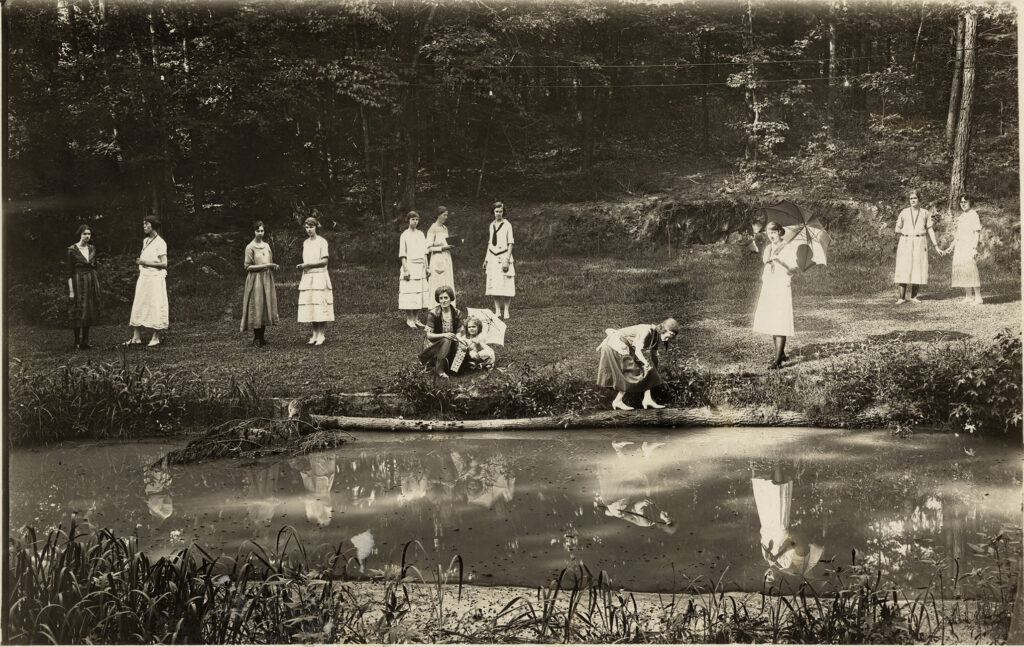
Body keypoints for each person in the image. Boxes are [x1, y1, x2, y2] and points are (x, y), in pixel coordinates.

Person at [596, 318, 679, 410]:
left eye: (669, 339)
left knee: (647, 369)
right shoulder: (647, 331)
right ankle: (617, 401)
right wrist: (645, 363)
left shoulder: (656, 336)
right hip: (615, 346)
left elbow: (654, 356)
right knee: (632, 372)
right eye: (667, 336)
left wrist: (654, 370)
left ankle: (647, 399)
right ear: (662, 330)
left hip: (625, 347)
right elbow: (638, 352)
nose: (666, 340)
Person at [752, 221, 804, 369]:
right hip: (770, 285)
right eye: (769, 233)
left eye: (774, 232)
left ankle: (777, 361)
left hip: (781, 285)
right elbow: (765, 263)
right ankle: (780, 353)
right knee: (773, 318)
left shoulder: (788, 248)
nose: (771, 236)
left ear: (780, 232)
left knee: (780, 319)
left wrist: (781, 261)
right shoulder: (769, 248)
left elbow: (793, 269)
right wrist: (768, 258)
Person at [127, 215, 168, 347]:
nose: (144, 226)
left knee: (155, 304)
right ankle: (136, 337)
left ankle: (156, 336)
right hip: (144, 277)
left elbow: (164, 263)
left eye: (147, 224)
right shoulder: (145, 241)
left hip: (155, 278)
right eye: (143, 224)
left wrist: (145, 262)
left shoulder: (161, 243)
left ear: (153, 226)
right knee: (139, 303)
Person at [893, 189, 939, 304]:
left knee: (918, 266)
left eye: (915, 198)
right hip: (906, 241)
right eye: (911, 198)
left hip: (920, 241)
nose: (913, 200)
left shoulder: (925, 213)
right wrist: (904, 231)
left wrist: (936, 245)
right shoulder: (904, 212)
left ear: (919, 199)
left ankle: (914, 296)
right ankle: (901, 297)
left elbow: (930, 229)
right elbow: (897, 228)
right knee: (904, 266)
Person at [240, 220, 280, 345]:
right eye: (258, 231)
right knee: (257, 305)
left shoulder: (267, 246)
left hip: (266, 279)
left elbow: (269, 261)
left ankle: (262, 337)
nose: (260, 233)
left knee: (265, 306)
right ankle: (256, 338)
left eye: (262, 231)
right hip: (256, 279)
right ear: (254, 231)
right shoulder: (250, 247)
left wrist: (273, 266)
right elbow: (247, 267)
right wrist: (266, 265)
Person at [296, 216, 334, 345]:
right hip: (308, 277)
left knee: (320, 304)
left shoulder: (322, 242)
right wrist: (304, 266)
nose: (309, 230)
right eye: (306, 227)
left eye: (311, 227)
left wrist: (308, 265)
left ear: (316, 227)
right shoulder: (305, 243)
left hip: (319, 276)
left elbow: (324, 261)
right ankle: (314, 334)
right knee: (312, 305)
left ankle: (321, 334)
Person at [940, 194, 983, 305]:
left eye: (965, 202)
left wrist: (974, 248)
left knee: (971, 269)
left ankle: (978, 297)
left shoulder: (974, 215)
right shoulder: (962, 216)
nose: (963, 204)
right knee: (963, 270)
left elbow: (976, 233)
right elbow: (958, 235)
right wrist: (951, 247)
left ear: (970, 203)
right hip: (960, 247)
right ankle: (968, 296)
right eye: (961, 202)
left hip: (969, 246)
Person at [66, 224, 100, 349]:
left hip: (90, 281)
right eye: (84, 234)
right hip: (77, 282)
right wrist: (71, 291)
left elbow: (94, 266)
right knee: (78, 309)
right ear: (80, 234)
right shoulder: (72, 250)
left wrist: (95, 281)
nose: (87, 236)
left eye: (89, 234)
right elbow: (68, 272)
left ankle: (85, 341)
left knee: (89, 309)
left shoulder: (92, 248)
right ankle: (76, 341)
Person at [419, 286, 464, 378]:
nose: (443, 301)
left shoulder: (457, 313)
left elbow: (460, 332)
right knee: (446, 340)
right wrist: (445, 335)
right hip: (434, 343)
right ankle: (440, 370)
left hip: (452, 340)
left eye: (446, 298)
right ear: (438, 300)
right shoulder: (433, 313)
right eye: (441, 298)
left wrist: (457, 338)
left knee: (462, 345)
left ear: (451, 298)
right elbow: (429, 335)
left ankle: (452, 368)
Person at [483, 201, 515, 319]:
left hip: (504, 256)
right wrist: (486, 259)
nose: (498, 214)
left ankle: (506, 310)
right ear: (493, 212)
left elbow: (511, 243)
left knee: (506, 284)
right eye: (496, 211)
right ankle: (497, 310)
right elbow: (490, 243)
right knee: (494, 284)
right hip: (492, 257)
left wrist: (507, 259)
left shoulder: (507, 225)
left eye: (500, 211)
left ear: (503, 212)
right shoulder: (491, 225)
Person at [399, 211, 430, 328]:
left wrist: (427, 267)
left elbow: (425, 253)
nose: (415, 222)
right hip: (410, 266)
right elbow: (402, 255)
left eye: (417, 219)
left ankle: (416, 318)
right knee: (409, 293)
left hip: (420, 267)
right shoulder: (404, 235)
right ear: (408, 220)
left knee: (419, 293)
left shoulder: (421, 234)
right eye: (413, 219)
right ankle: (409, 319)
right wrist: (406, 270)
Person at [426, 206, 456, 307]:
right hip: (437, 258)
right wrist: (442, 248)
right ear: (438, 215)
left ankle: (448, 305)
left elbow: (445, 242)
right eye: (444, 215)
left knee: (447, 281)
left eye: (447, 215)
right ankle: (435, 306)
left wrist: (451, 245)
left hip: (447, 257)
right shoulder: (433, 228)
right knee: (438, 282)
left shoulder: (445, 228)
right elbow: (428, 248)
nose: (446, 217)